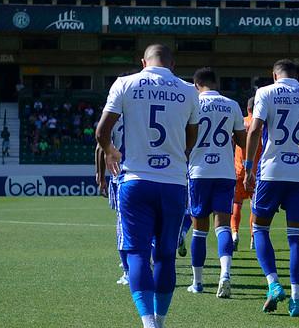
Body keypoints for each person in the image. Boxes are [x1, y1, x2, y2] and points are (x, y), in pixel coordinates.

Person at [95, 44, 200, 328]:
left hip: (135, 181)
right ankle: (161, 321)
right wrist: (179, 154)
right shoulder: (189, 90)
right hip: (173, 183)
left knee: (137, 252)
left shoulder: (125, 83)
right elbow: (193, 136)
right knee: (165, 255)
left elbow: (102, 131)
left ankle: (148, 324)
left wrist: (108, 150)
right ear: (172, 64)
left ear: (143, 62)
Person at [243, 59, 299, 317]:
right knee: (296, 239)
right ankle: (297, 301)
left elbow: (255, 129)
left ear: (274, 75)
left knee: (259, 229)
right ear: (296, 75)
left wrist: (248, 167)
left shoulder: (265, 92)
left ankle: (273, 284)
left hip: (272, 171)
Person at [186, 68, 246, 298]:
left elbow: (185, 138)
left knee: (199, 232)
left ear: (196, 84)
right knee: (222, 226)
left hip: (199, 171)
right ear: (215, 82)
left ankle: (198, 283)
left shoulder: (192, 103)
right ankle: (225, 275)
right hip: (224, 172)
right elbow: (242, 140)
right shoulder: (231, 105)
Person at [95, 113, 129, 285]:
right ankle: (147, 260)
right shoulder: (140, 113)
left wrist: (100, 177)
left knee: (123, 223)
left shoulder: (113, 118)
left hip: (120, 176)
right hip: (145, 173)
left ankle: (128, 270)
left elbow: (100, 147)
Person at [232, 96, 261, 251]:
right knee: (254, 206)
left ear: (247, 108)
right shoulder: (260, 125)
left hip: (238, 169)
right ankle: (253, 238)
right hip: (256, 171)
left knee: (237, 203)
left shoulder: (241, 123)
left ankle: (235, 233)